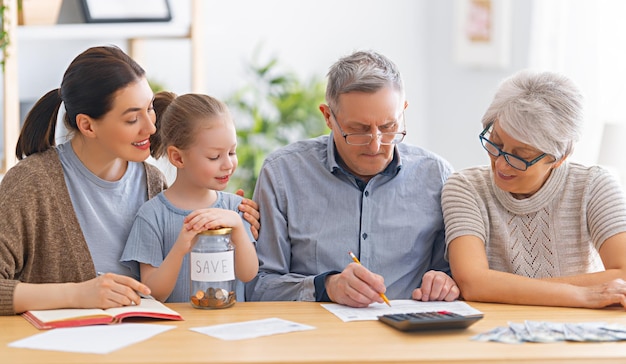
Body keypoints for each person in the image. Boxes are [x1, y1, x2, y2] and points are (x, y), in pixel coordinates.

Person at [0, 45, 259, 316]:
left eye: (150, 109)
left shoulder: (153, 182)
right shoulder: (31, 184)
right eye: (133, 118)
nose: (151, 127)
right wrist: (77, 293)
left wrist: (237, 218)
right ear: (88, 126)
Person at [245, 50, 460, 308]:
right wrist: (326, 287)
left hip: (408, 339)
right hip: (316, 340)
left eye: (388, 127)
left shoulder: (437, 176)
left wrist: (445, 281)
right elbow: (258, 285)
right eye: (358, 130)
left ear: (403, 111)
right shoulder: (283, 174)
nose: (375, 144)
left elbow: (454, 273)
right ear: (328, 117)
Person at [442, 69, 626, 309]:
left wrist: (504, 287)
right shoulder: (465, 187)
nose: (500, 163)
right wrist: (582, 295)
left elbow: (622, 273)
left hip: (577, 328)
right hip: (497, 330)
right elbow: (473, 283)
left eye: (521, 155)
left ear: (560, 157)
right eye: (496, 144)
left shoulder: (594, 186)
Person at [121, 92, 259, 303]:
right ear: (178, 157)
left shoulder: (236, 208)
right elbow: (153, 292)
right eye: (214, 156)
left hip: (230, 327)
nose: (228, 164)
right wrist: (181, 246)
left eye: (232, 152)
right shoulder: (153, 215)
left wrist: (238, 227)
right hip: (179, 332)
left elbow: (248, 274)